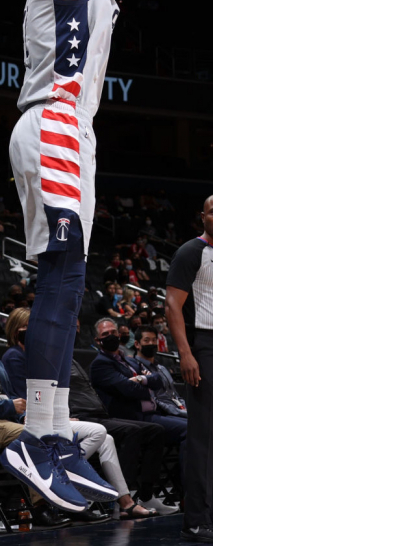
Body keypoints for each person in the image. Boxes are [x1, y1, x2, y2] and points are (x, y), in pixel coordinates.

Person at [1, 0, 171, 510]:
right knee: (62, 279)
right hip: (54, 124)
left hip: (75, 132)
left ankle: (53, 436)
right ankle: (37, 439)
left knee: (69, 285)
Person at [0, 309, 112, 526]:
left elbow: (12, 396)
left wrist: (23, 414)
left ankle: (71, 501)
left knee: (57, 436)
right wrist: (9, 407)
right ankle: (40, 508)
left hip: (7, 421)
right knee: (34, 439)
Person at [0, 308, 152, 520]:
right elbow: (25, 398)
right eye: (29, 327)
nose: (37, 331)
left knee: (107, 440)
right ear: (17, 330)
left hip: (55, 418)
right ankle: (59, 470)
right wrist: (58, 417)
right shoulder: (15, 356)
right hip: (38, 422)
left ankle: (125, 502)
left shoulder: (39, 355)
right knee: (98, 432)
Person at [89, 317, 186, 512]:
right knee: (187, 430)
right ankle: (186, 493)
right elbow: (128, 389)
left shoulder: (127, 360)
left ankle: (156, 494)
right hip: (130, 417)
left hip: (150, 413)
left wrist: (140, 380)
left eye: (113, 332)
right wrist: (144, 383)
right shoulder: (100, 364)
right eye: (105, 334)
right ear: (97, 340)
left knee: (197, 428)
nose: (111, 336)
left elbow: (158, 380)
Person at [165, 195, 213, 543]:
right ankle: (196, 519)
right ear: (203, 216)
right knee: (203, 436)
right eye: (214, 211)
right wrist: (186, 353)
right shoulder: (191, 252)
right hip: (205, 345)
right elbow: (172, 305)